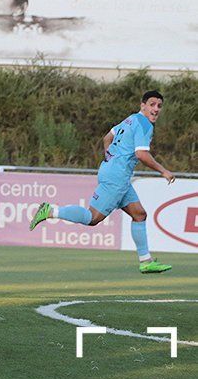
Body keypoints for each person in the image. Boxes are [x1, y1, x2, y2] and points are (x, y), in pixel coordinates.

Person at [30, 90, 175, 274]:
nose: (156, 109)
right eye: (152, 104)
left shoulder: (130, 119)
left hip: (111, 171)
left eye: (159, 106)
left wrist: (109, 154)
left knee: (139, 214)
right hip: (118, 177)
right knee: (92, 218)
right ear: (143, 106)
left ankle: (146, 261)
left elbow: (107, 138)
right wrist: (163, 170)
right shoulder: (145, 125)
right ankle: (51, 211)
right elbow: (141, 154)